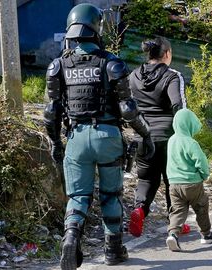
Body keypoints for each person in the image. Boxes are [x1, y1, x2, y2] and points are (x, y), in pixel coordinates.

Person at [43, 4, 155, 268]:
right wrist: (145, 134)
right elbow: (128, 109)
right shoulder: (111, 63)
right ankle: (113, 251)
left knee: (78, 197)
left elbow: (51, 112)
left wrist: (55, 142)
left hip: (77, 138)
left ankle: (71, 237)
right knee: (110, 195)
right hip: (108, 136)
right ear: (96, 27)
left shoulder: (58, 65)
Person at [128, 36, 187, 237]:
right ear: (167, 54)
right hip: (169, 138)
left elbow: (128, 106)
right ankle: (176, 224)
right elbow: (179, 107)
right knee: (173, 181)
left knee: (146, 179)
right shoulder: (172, 76)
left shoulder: (133, 75)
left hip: (142, 136)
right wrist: (186, 135)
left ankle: (139, 210)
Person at [165, 108, 212, 251]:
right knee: (201, 207)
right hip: (192, 183)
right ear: (189, 124)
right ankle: (206, 234)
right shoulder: (190, 142)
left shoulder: (171, 141)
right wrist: (204, 175)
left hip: (174, 184)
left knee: (177, 211)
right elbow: (201, 161)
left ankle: (173, 235)